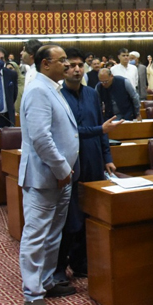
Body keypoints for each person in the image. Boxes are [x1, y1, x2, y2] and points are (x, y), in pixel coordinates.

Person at [18, 44, 79, 305]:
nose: (67, 65)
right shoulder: (38, 90)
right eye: (62, 60)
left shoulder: (52, 87)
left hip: (60, 177)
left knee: (54, 234)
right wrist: (61, 168)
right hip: (45, 177)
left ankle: (46, 282)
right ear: (45, 64)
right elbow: (41, 138)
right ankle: (32, 294)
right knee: (36, 235)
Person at [55, 48, 122, 285]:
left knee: (89, 213)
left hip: (93, 159)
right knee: (68, 217)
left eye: (80, 65)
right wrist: (99, 131)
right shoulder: (57, 96)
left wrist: (107, 157)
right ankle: (59, 268)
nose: (76, 69)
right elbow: (69, 133)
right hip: (70, 162)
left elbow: (101, 128)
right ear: (62, 69)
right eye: (70, 65)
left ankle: (81, 262)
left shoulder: (92, 94)